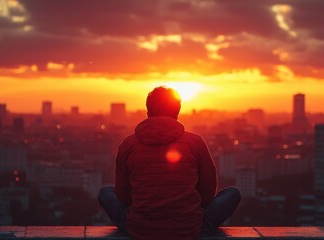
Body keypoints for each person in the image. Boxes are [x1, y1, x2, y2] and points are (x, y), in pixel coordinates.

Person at [98, 86, 241, 240]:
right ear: (177, 113)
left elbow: (123, 195)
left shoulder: (128, 144)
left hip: (139, 228)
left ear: (148, 113)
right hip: (190, 227)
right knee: (233, 193)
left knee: (106, 193)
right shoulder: (195, 142)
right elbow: (208, 192)